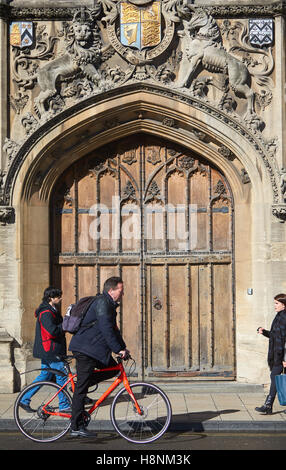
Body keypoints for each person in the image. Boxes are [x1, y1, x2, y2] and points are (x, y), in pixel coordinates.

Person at [69, 276, 129, 438]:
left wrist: (122, 348)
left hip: (93, 350)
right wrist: (117, 349)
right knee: (81, 389)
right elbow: (105, 329)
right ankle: (76, 426)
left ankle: (82, 382)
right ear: (111, 291)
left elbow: (114, 329)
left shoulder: (108, 304)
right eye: (120, 291)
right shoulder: (103, 303)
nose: (122, 294)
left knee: (111, 370)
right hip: (85, 350)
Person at [19, 287, 71, 413]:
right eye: (58, 296)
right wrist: (64, 325)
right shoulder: (46, 312)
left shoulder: (50, 310)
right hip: (51, 350)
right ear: (51, 298)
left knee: (45, 375)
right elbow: (52, 331)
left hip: (49, 350)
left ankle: (24, 398)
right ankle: (64, 405)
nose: (60, 298)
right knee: (62, 376)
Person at [255, 293, 286, 414]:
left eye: (277, 303)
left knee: (274, 377)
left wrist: (285, 358)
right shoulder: (279, 316)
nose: (274, 306)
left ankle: (268, 405)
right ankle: (268, 405)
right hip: (276, 354)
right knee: (275, 378)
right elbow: (275, 336)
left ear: (284, 305)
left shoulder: (284, 318)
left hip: (281, 355)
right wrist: (264, 332)